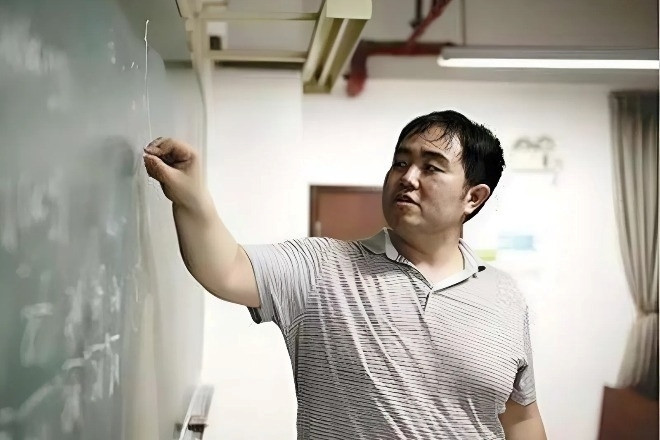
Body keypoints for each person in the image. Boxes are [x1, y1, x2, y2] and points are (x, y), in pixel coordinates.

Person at [143, 110, 547, 439]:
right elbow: (225, 268)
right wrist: (192, 196)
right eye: (401, 162)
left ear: (473, 197)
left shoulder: (505, 296)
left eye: (431, 167)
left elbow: (521, 417)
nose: (408, 177)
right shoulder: (321, 267)